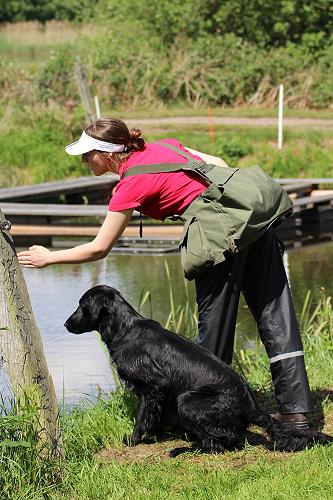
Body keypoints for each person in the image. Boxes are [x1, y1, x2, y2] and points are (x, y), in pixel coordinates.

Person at [17, 118, 314, 427]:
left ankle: (210, 416)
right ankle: (295, 412)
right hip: (250, 222)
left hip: (219, 236)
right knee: (276, 315)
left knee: (213, 331)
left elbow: (99, 248)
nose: (83, 160)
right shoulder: (165, 146)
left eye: (87, 153)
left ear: (107, 154)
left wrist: (50, 258)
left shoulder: (130, 184)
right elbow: (218, 163)